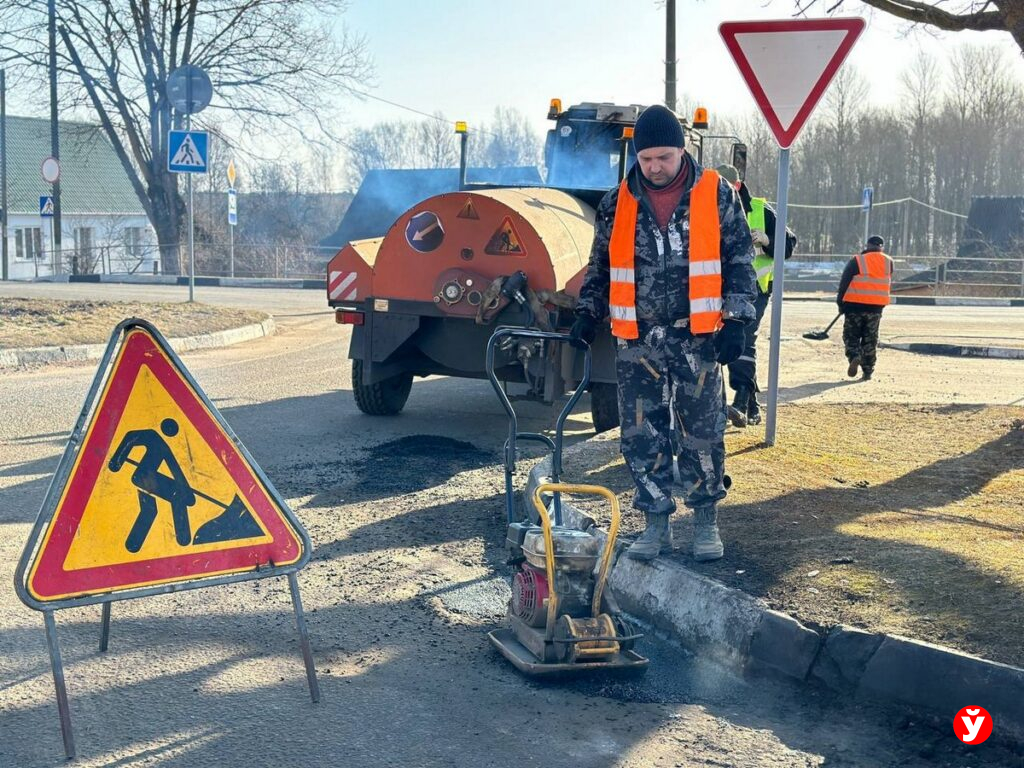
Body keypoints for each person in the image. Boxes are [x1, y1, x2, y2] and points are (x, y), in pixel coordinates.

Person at [569, 104, 756, 562]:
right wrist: (586, 313)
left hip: (699, 337)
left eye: (663, 158)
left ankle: (705, 523)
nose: (653, 168)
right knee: (640, 433)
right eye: (646, 158)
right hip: (637, 340)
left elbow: (739, 261)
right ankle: (655, 524)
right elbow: (602, 267)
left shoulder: (716, 194)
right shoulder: (617, 202)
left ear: (681, 152)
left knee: (703, 431)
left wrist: (736, 320)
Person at [715, 164, 796, 427]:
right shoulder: (706, 204)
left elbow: (788, 246)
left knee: (744, 339)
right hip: (717, 289)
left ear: (737, 186)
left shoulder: (761, 211)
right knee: (725, 343)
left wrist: (768, 241)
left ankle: (739, 399)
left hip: (756, 289)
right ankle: (751, 405)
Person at [836, 235, 893, 380]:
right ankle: (868, 371)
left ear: (867, 245)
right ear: (882, 247)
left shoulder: (857, 261)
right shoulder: (889, 262)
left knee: (851, 336)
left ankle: (855, 356)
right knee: (870, 339)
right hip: (876, 308)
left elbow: (844, 283)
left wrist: (840, 304)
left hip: (854, 306)